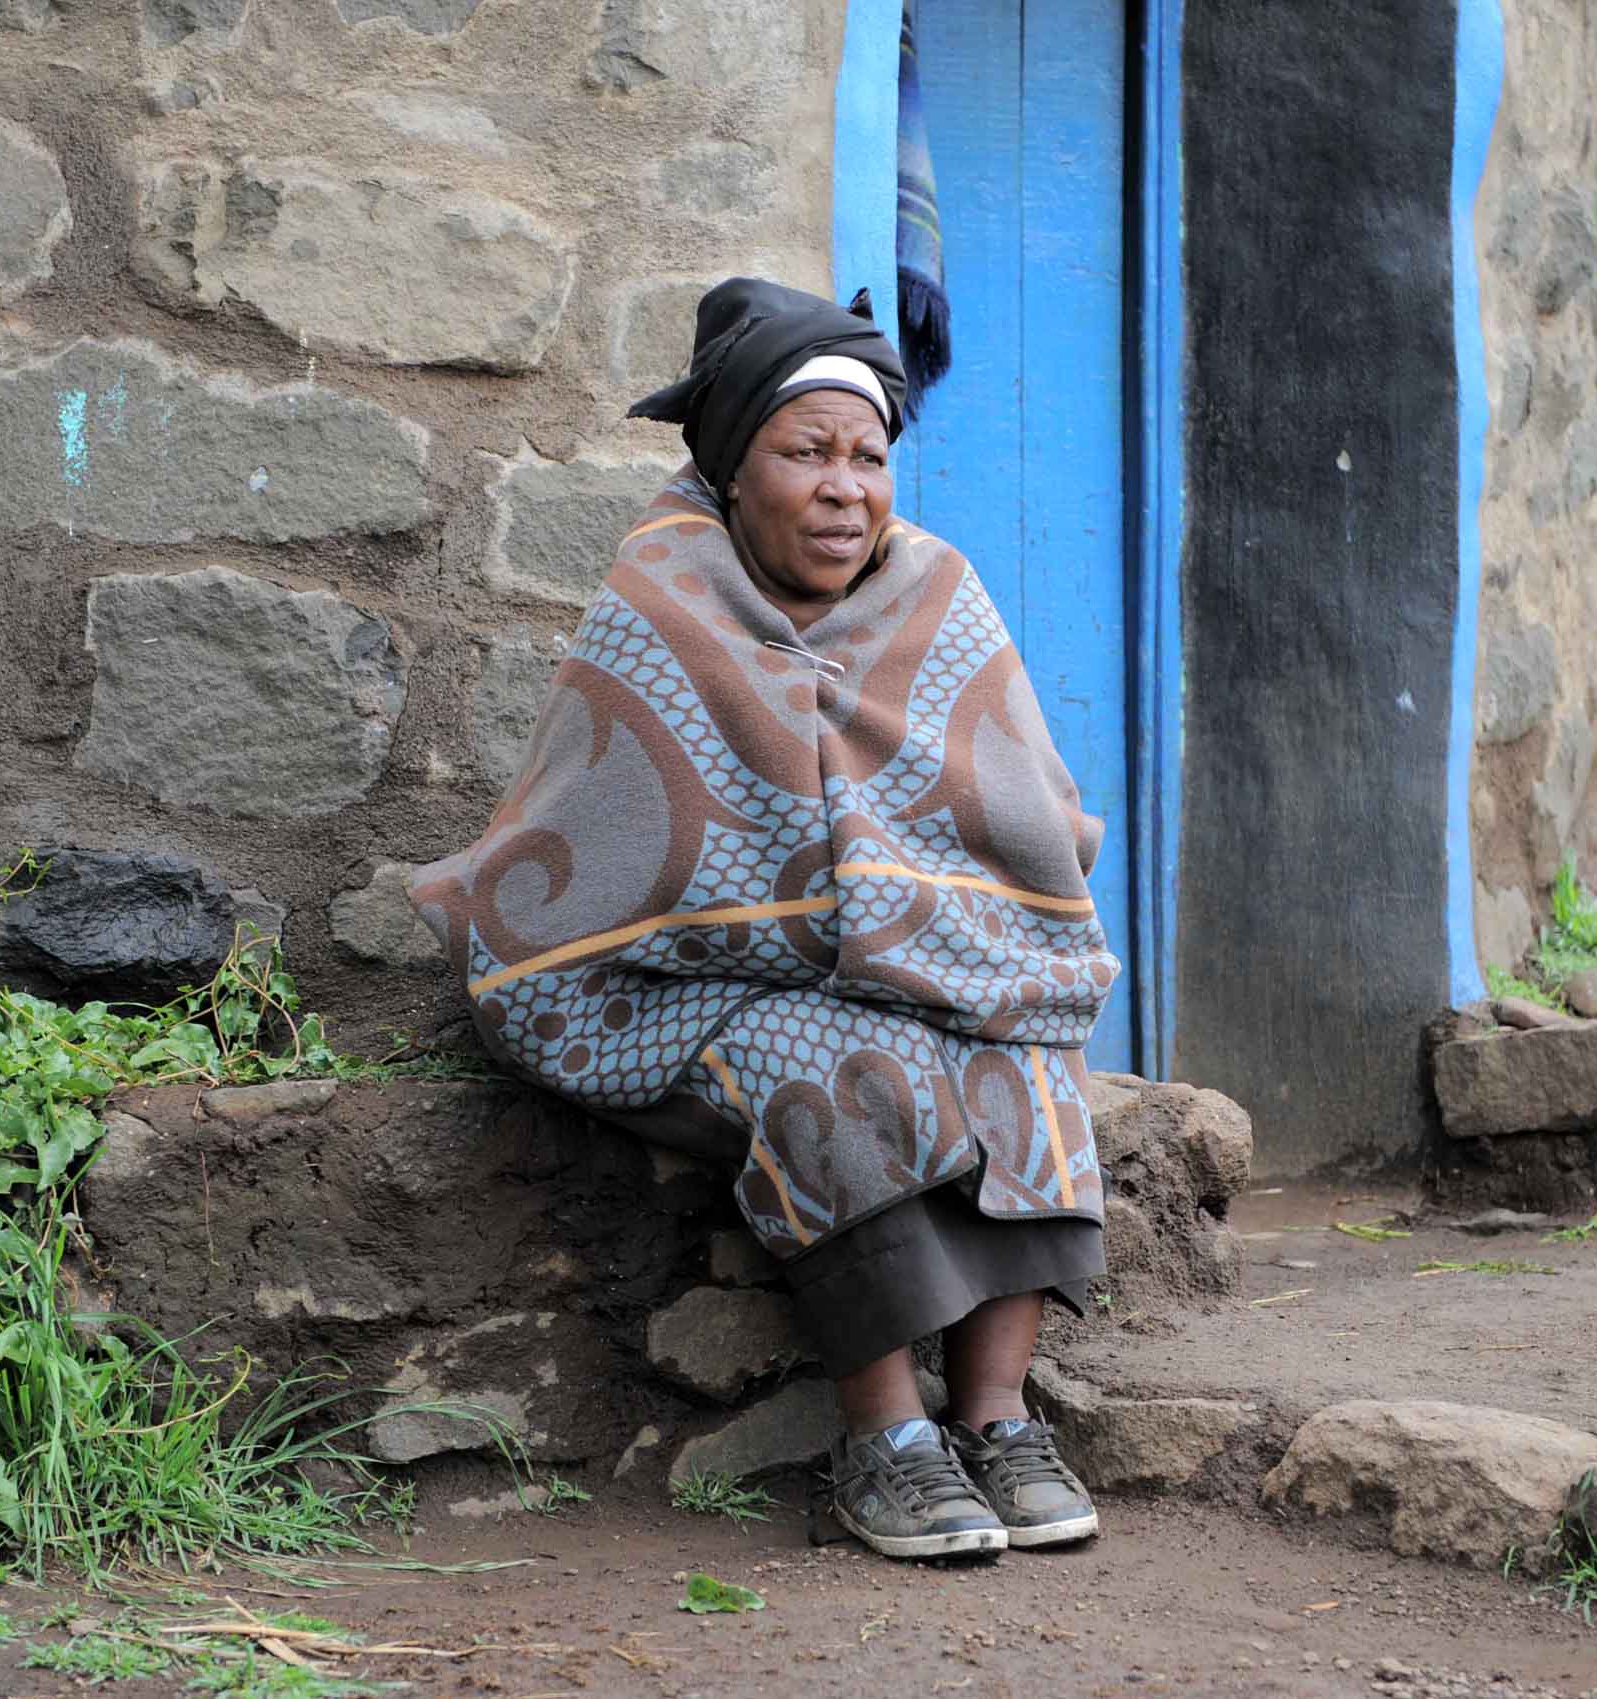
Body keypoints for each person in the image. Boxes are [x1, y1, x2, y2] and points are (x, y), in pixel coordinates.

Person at [409, 277, 1116, 1562]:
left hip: (908, 958)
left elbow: (1023, 812)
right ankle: (885, 1437)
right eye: (808, 453)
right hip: (664, 987)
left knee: (1024, 1048)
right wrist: (827, 939)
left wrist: (919, 940)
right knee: (827, 1065)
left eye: (870, 455)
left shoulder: (935, 591)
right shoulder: (662, 592)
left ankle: (998, 1419)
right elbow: (614, 844)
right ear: (735, 467)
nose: (848, 485)